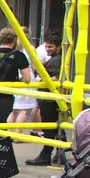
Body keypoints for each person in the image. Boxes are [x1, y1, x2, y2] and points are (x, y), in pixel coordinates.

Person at [28, 34, 63, 166]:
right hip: (52, 98)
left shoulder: (55, 61)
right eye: (46, 46)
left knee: (50, 127)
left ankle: (46, 154)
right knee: (58, 127)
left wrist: (42, 80)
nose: (47, 49)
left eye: (50, 46)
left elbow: (54, 78)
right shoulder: (57, 59)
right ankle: (59, 152)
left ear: (58, 47)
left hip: (50, 99)